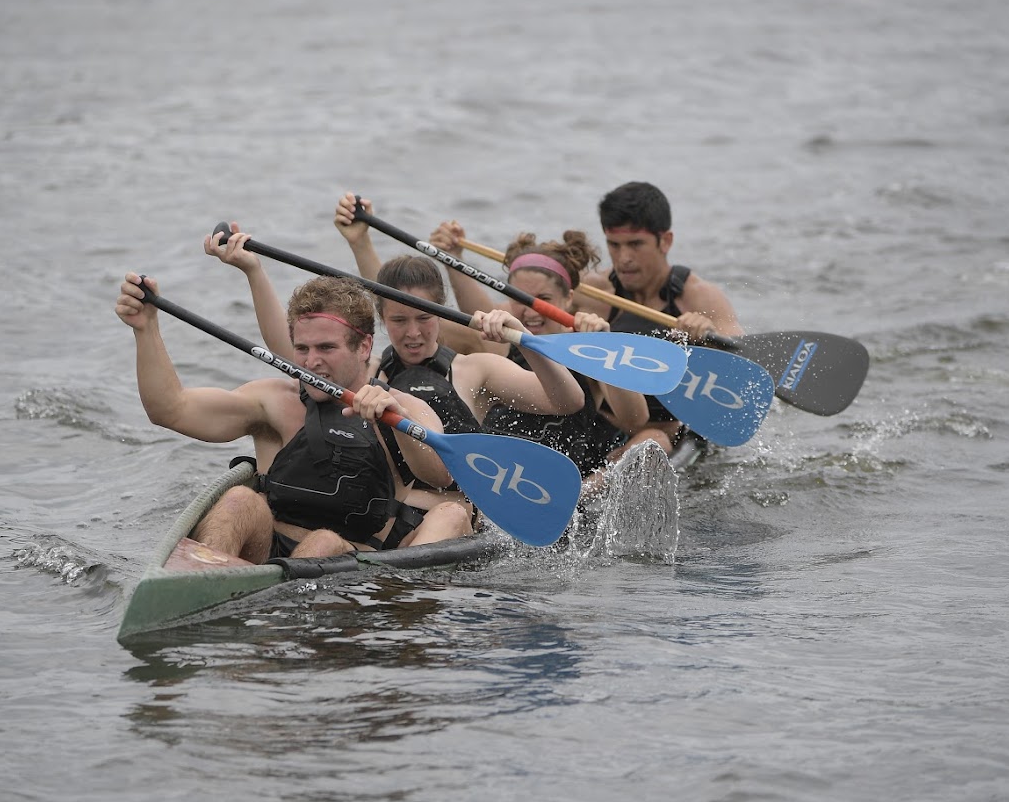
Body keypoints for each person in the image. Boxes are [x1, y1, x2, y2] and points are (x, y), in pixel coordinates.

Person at [210, 215, 584, 523]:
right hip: (388, 511)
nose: (413, 333)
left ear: (442, 312)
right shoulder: (370, 370)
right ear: (381, 321)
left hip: (455, 512)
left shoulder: (477, 369)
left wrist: (524, 343)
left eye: (425, 317)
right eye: (399, 320)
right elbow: (289, 349)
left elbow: (568, 402)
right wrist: (253, 272)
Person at [114, 269, 472, 566]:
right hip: (267, 552)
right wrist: (144, 329)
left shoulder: (401, 409)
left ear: (363, 347)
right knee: (239, 500)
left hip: (355, 570)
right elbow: (169, 410)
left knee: (323, 543)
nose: (311, 362)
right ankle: (197, 586)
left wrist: (400, 422)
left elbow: (439, 475)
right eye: (302, 348)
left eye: (326, 348)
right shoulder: (272, 402)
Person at [424, 221, 671, 475]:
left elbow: (635, 419)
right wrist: (452, 259)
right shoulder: (500, 343)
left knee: (655, 440)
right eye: (519, 299)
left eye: (544, 301)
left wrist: (605, 348)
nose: (530, 312)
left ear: (568, 299)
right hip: (500, 474)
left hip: (569, 479)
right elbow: (416, 322)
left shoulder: (586, 349)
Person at [576, 181, 746, 444]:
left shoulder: (698, 296)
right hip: (603, 424)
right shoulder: (593, 291)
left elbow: (744, 367)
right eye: (614, 245)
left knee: (653, 440)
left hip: (664, 434)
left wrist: (708, 337)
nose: (623, 258)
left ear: (665, 241)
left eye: (635, 244)